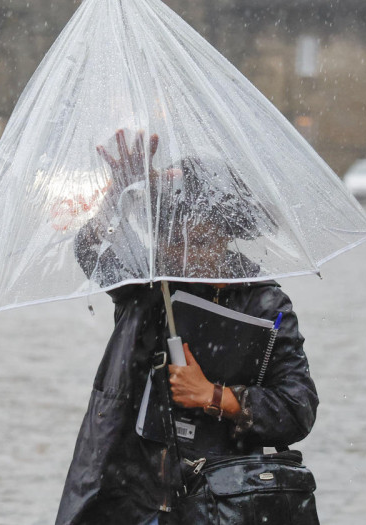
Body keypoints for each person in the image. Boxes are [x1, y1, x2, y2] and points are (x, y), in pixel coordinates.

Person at [56, 130, 318, 525]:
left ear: (226, 236)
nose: (181, 254)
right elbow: (90, 250)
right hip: (131, 495)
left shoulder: (266, 304)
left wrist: (216, 396)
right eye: (168, 239)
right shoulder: (146, 286)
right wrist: (119, 195)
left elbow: (298, 409)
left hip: (223, 500)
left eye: (198, 241)